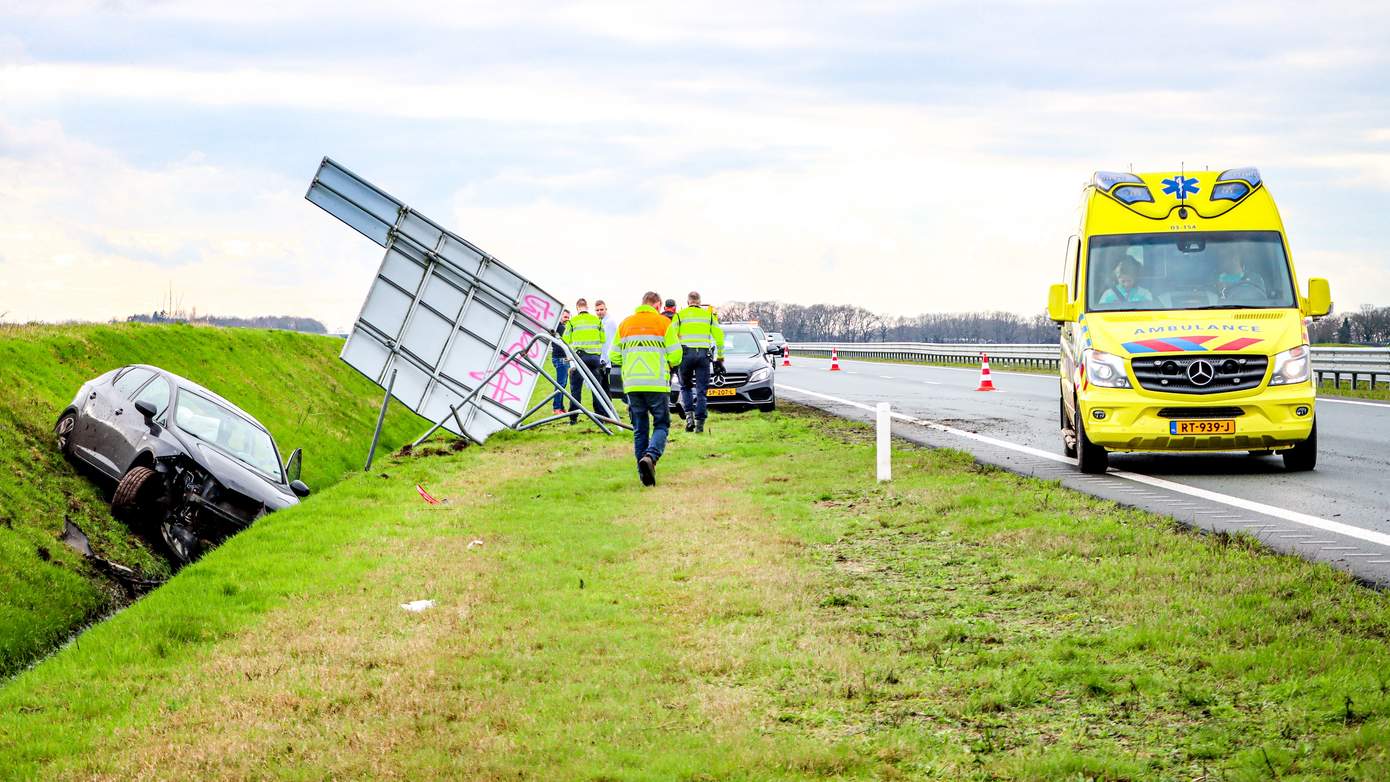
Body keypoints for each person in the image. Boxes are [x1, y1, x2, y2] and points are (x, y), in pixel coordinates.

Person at [610, 292, 681, 486]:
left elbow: (614, 356)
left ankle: (644, 475)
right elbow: (676, 356)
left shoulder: (625, 324)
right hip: (657, 383)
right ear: (657, 305)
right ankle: (650, 457)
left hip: (632, 384)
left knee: (640, 429)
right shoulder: (663, 324)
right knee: (661, 424)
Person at [671, 291, 725, 434]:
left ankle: (689, 419)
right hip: (703, 355)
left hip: (685, 355)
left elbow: (670, 336)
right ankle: (700, 425)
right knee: (701, 391)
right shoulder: (709, 316)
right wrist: (720, 357)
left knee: (686, 387)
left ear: (688, 302)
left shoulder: (679, 316)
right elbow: (719, 337)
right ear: (700, 302)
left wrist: (673, 357)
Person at [563, 298, 605, 425]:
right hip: (594, 359)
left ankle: (573, 418)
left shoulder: (572, 321)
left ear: (577, 308)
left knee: (576, 388)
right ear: (587, 307)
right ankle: (600, 417)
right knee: (597, 388)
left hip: (580, 358)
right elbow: (603, 339)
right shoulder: (597, 320)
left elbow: (565, 340)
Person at [550, 309, 571, 415]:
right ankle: (556, 408)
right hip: (560, 358)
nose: (567, 319)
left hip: (562, 358)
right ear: (560, 317)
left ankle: (561, 407)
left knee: (563, 384)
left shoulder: (561, 327)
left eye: (568, 317)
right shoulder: (560, 327)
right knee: (560, 384)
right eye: (565, 317)